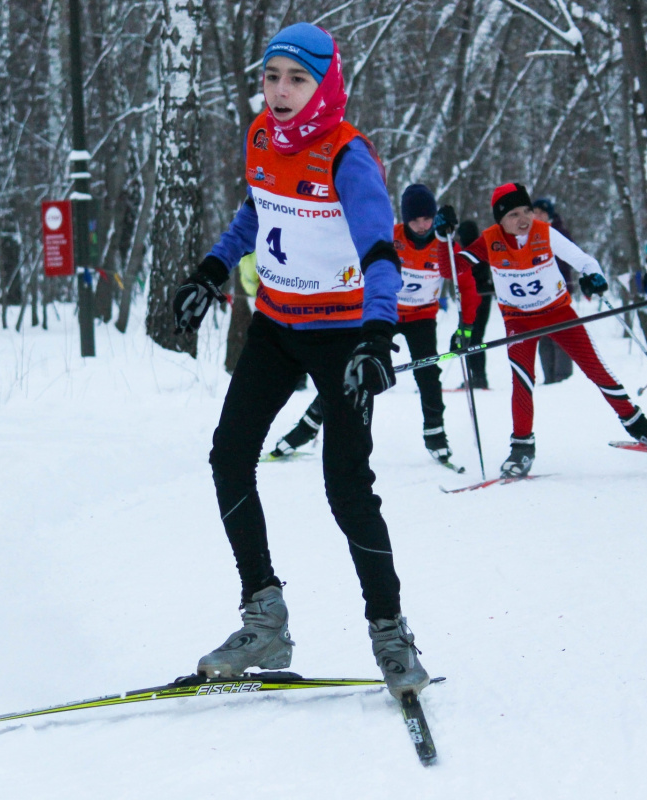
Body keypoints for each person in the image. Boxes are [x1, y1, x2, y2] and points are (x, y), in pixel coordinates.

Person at [171, 24, 428, 698]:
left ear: (324, 85)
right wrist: (211, 270)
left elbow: (381, 251)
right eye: (271, 76)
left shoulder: (348, 156)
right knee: (230, 455)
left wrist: (377, 334)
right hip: (278, 327)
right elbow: (257, 210)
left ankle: (390, 630)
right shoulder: (263, 138)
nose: (280, 92)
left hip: (344, 338)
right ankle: (264, 616)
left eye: (296, 79)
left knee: (346, 487)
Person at [455, 182, 647, 478]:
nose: (522, 219)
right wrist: (442, 238)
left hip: (558, 313)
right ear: (500, 220)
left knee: (595, 368)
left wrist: (593, 277)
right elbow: (452, 268)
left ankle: (638, 424)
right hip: (517, 320)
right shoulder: (489, 240)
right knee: (522, 379)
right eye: (513, 215)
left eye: (526, 211)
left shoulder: (544, 233)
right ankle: (522, 447)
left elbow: (585, 262)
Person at [268, 185, 478, 465]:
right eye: (415, 220)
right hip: (385, 314)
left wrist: (465, 328)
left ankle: (435, 435)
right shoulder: (392, 237)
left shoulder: (444, 245)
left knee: (428, 373)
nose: (421, 225)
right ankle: (305, 429)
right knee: (354, 369)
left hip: (421, 317)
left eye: (427, 219)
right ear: (406, 219)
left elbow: (467, 286)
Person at [530, 197, 575, 383]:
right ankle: (549, 377)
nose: (538, 215)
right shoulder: (529, 235)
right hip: (538, 293)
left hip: (559, 290)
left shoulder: (559, 233)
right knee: (543, 337)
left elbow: (568, 261)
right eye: (536, 212)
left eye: (542, 212)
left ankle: (562, 376)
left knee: (561, 335)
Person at [454, 219, 490, 389]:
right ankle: (474, 376)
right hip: (474, 299)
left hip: (479, 299)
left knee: (473, 338)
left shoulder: (475, 251)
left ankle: (479, 377)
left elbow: (475, 275)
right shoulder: (467, 251)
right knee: (471, 338)